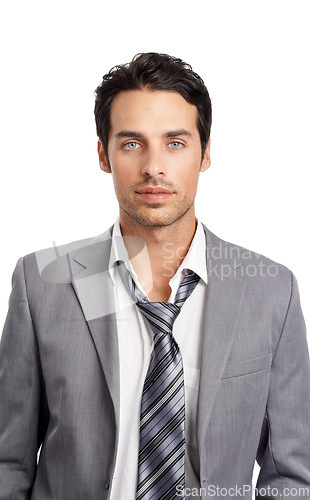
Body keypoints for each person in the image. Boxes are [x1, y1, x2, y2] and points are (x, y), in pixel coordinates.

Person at [0, 52, 309, 500]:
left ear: (205, 153)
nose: (153, 167)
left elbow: (294, 474)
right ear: (104, 155)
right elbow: (9, 462)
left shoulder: (271, 290)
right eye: (131, 143)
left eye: (175, 143)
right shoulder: (42, 283)